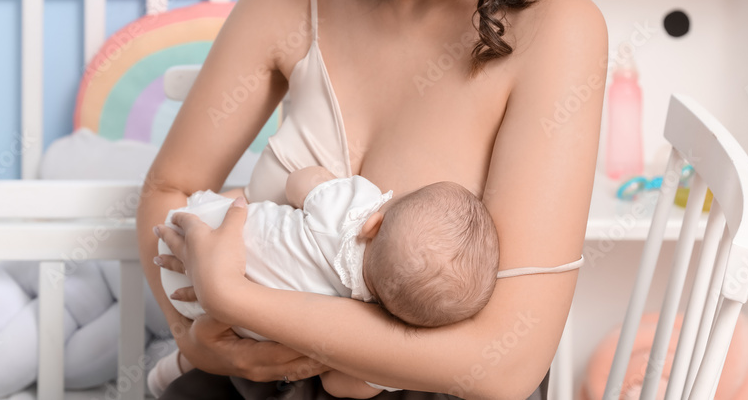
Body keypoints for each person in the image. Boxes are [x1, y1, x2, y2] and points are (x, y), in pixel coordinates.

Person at [137, 0, 608, 399]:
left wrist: (237, 299)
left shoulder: (557, 31)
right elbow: (172, 186)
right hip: (257, 373)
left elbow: (506, 364)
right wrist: (194, 336)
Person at [148, 166, 500, 398]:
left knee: (244, 210)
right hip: (208, 311)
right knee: (247, 335)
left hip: (193, 235)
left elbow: (298, 183)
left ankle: (175, 363)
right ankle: (174, 366)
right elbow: (339, 384)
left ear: (373, 224)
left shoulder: (351, 210)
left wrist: (322, 179)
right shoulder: (368, 331)